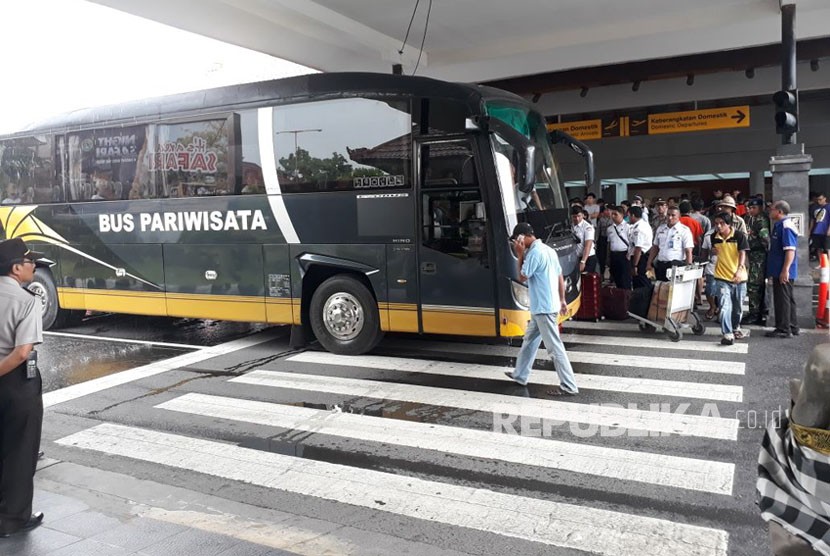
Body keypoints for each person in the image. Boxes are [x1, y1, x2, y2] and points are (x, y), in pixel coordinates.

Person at [0, 238, 45, 537]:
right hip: (15, 383)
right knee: (20, 450)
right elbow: (21, 352)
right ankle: (12, 519)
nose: (34, 267)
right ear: (17, 268)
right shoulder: (27, 300)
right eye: (31, 262)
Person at [504, 223, 578, 396]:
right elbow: (560, 276)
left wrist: (520, 254)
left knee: (554, 348)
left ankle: (569, 385)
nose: (517, 243)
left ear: (523, 236)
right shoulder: (549, 250)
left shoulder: (535, 253)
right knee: (529, 341)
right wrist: (562, 299)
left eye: (517, 239)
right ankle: (520, 375)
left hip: (544, 308)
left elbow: (522, 276)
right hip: (543, 307)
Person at [710, 212, 750, 346]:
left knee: (737, 306)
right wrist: (713, 252)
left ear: (729, 224)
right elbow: (713, 250)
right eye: (716, 223)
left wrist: (739, 270)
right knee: (724, 306)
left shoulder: (739, 236)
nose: (719, 226)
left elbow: (742, 253)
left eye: (722, 223)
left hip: (738, 277)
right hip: (721, 277)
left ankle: (735, 327)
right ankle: (727, 333)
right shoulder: (713, 237)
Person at [766, 200, 800, 338]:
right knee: (787, 298)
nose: (770, 211)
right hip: (780, 269)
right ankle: (792, 326)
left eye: (772, 209)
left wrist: (785, 269)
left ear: (779, 211)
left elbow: (790, 250)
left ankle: (784, 328)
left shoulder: (785, 226)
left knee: (782, 299)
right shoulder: (780, 225)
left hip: (783, 270)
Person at [646, 206, 694, 281]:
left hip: (675, 266)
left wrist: (688, 268)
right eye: (668, 215)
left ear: (679, 216)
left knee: (673, 290)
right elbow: (655, 247)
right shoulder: (661, 228)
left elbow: (688, 251)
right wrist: (649, 263)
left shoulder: (684, 230)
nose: (670, 217)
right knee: (660, 288)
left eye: (673, 215)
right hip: (661, 264)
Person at [744, 198, 771, 326]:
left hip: (759, 257)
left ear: (760, 207)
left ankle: (755, 314)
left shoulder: (761, 220)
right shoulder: (754, 219)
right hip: (756, 256)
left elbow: (765, 239)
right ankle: (758, 312)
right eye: (749, 208)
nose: (750, 210)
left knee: (754, 285)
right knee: (757, 286)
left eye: (753, 208)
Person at [627, 205, 653, 288]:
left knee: (641, 282)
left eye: (628, 216)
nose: (628, 218)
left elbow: (638, 248)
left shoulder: (639, 229)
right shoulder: (644, 225)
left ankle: (643, 300)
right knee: (647, 280)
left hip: (641, 259)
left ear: (633, 215)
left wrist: (635, 266)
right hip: (645, 257)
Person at [607, 205, 631, 289]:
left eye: (615, 214)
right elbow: (609, 243)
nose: (613, 216)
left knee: (625, 278)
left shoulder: (628, 227)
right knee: (616, 277)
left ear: (622, 215)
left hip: (624, 255)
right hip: (614, 255)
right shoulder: (610, 228)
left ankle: (627, 297)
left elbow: (631, 243)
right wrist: (608, 257)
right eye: (612, 214)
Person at [571, 206, 597, 274]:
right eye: (574, 216)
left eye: (579, 216)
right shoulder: (571, 226)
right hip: (576, 258)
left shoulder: (587, 227)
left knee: (587, 281)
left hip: (587, 258)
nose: (577, 218)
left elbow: (588, 246)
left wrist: (583, 262)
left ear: (583, 215)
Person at [809, 193, 829, 261]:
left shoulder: (828, 207)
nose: (819, 201)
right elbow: (812, 220)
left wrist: (829, 230)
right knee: (818, 248)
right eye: (817, 200)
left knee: (827, 248)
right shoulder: (814, 208)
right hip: (816, 230)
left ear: (825, 199)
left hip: (825, 230)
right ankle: (821, 263)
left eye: (820, 199)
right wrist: (810, 230)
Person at [595, 204, 612, 281]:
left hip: (611, 240)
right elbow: (598, 231)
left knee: (610, 258)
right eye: (606, 210)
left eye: (609, 210)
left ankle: (612, 275)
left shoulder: (613, 219)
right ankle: (601, 275)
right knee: (601, 258)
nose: (607, 211)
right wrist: (596, 240)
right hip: (602, 240)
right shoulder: (601, 219)